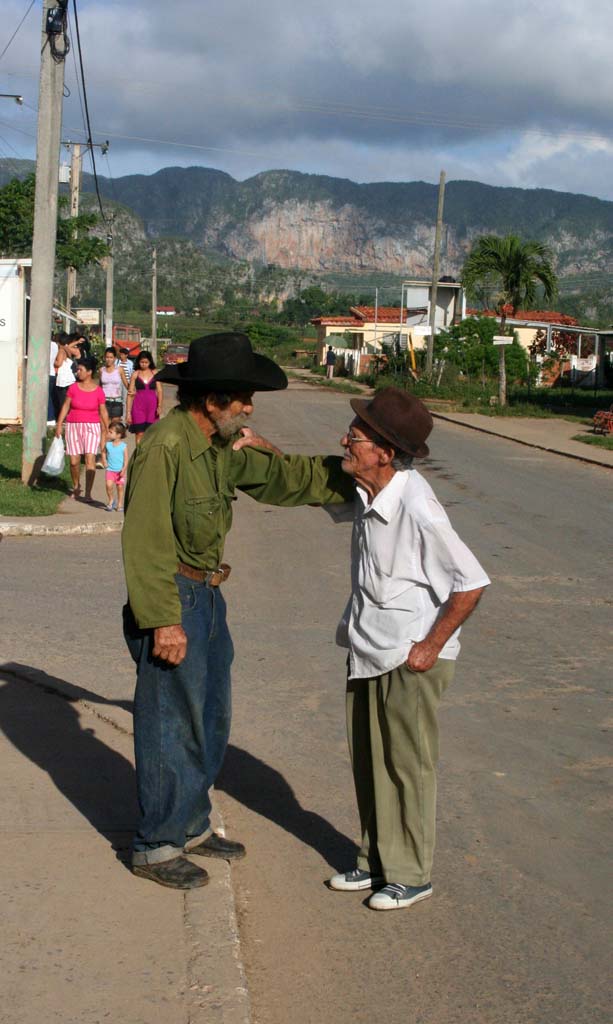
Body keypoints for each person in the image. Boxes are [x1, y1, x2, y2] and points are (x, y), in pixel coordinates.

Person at [122, 332, 354, 889]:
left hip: (207, 596)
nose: (249, 407)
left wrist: (356, 471)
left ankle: (192, 825)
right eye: (241, 398)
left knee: (209, 719)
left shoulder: (220, 447)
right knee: (168, 725)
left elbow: (282, 480)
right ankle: (156, 846)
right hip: (174, 599)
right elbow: (146, 539)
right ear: (210, 399)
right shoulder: (167, 446)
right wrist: (163, 620)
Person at [327, 387, 490, 911]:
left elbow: (471, 582)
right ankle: (376, 861)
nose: (347, 441)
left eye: (357, 436)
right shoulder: (368, 491)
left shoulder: (417, 505)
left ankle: (412, 874)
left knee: (407, 766)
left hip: (409, 657)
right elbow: (313, 486)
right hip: (367, 646)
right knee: (369, 762)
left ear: (385, 452)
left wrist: (430, 645)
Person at [55, 356, 110, 501]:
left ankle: (88, 493)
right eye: (77, 369)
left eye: (80, 369)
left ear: (89, 372)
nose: (77, 372)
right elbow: (66, 406)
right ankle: (77, 486)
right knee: (74, 461)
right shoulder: (73, 388)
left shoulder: (98, 391)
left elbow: (103, 411)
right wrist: (59, 424)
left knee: (90, 458)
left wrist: (108, 428)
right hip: (73, 425)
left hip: (92, 426)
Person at [125, 351, 163, 444]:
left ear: (150, 362)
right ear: (138, 362)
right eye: (142, 362)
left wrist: (160, 406)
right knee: (139, 434)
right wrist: (128, 413)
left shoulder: (155, 373)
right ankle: (139, 456)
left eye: (146, 362)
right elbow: (130, 394)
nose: (144, 364)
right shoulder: (135, 374)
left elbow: (160, 391)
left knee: (151, 434)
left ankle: (148, 456)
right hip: (138, 407)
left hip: (152, 408)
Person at [102, 420, 128, 512]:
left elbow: (126, 460)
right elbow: (103, 453)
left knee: (120, 487)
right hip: (110, 470)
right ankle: (111, 500)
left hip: (120, 471)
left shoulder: (123, 446)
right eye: (108, 431)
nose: (108, 433)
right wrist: (104, 461)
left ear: (119, 435)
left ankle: (120, 503)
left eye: (111, 432)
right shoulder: (108, 444)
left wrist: (124, 469)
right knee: (108, 485)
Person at [100, 347, 129, 422]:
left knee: (115, 429)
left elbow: (127, 385)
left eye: (111, 357)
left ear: (115, 358)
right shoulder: (101, 370)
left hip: (117, 402)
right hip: (104, 402)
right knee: (104, 428)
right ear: (104, 358)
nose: (109, 359)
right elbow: (100, 387)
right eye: (107, 357)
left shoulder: (119, 370)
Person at [53, 333, 81, 412]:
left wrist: (52, 361)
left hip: (63, 379)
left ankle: (65, 417)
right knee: (69, 399)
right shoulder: (67, 350)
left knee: (63, 400)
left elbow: (59, 363)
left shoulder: (61, 351)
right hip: (69, 378)